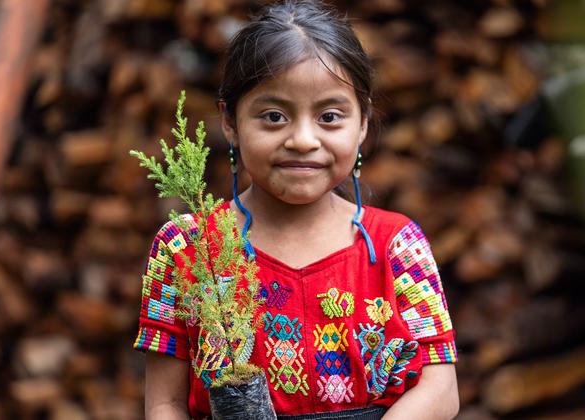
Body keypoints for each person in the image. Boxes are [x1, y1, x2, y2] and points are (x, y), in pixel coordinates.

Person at [133, 1, 459, 418]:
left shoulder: (397, 247)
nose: (303, 139)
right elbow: (165, 403)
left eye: (329, 116)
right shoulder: (186, 248)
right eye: (273, 116)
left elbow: (441, 388)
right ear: (230, 121)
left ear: (362, 123)